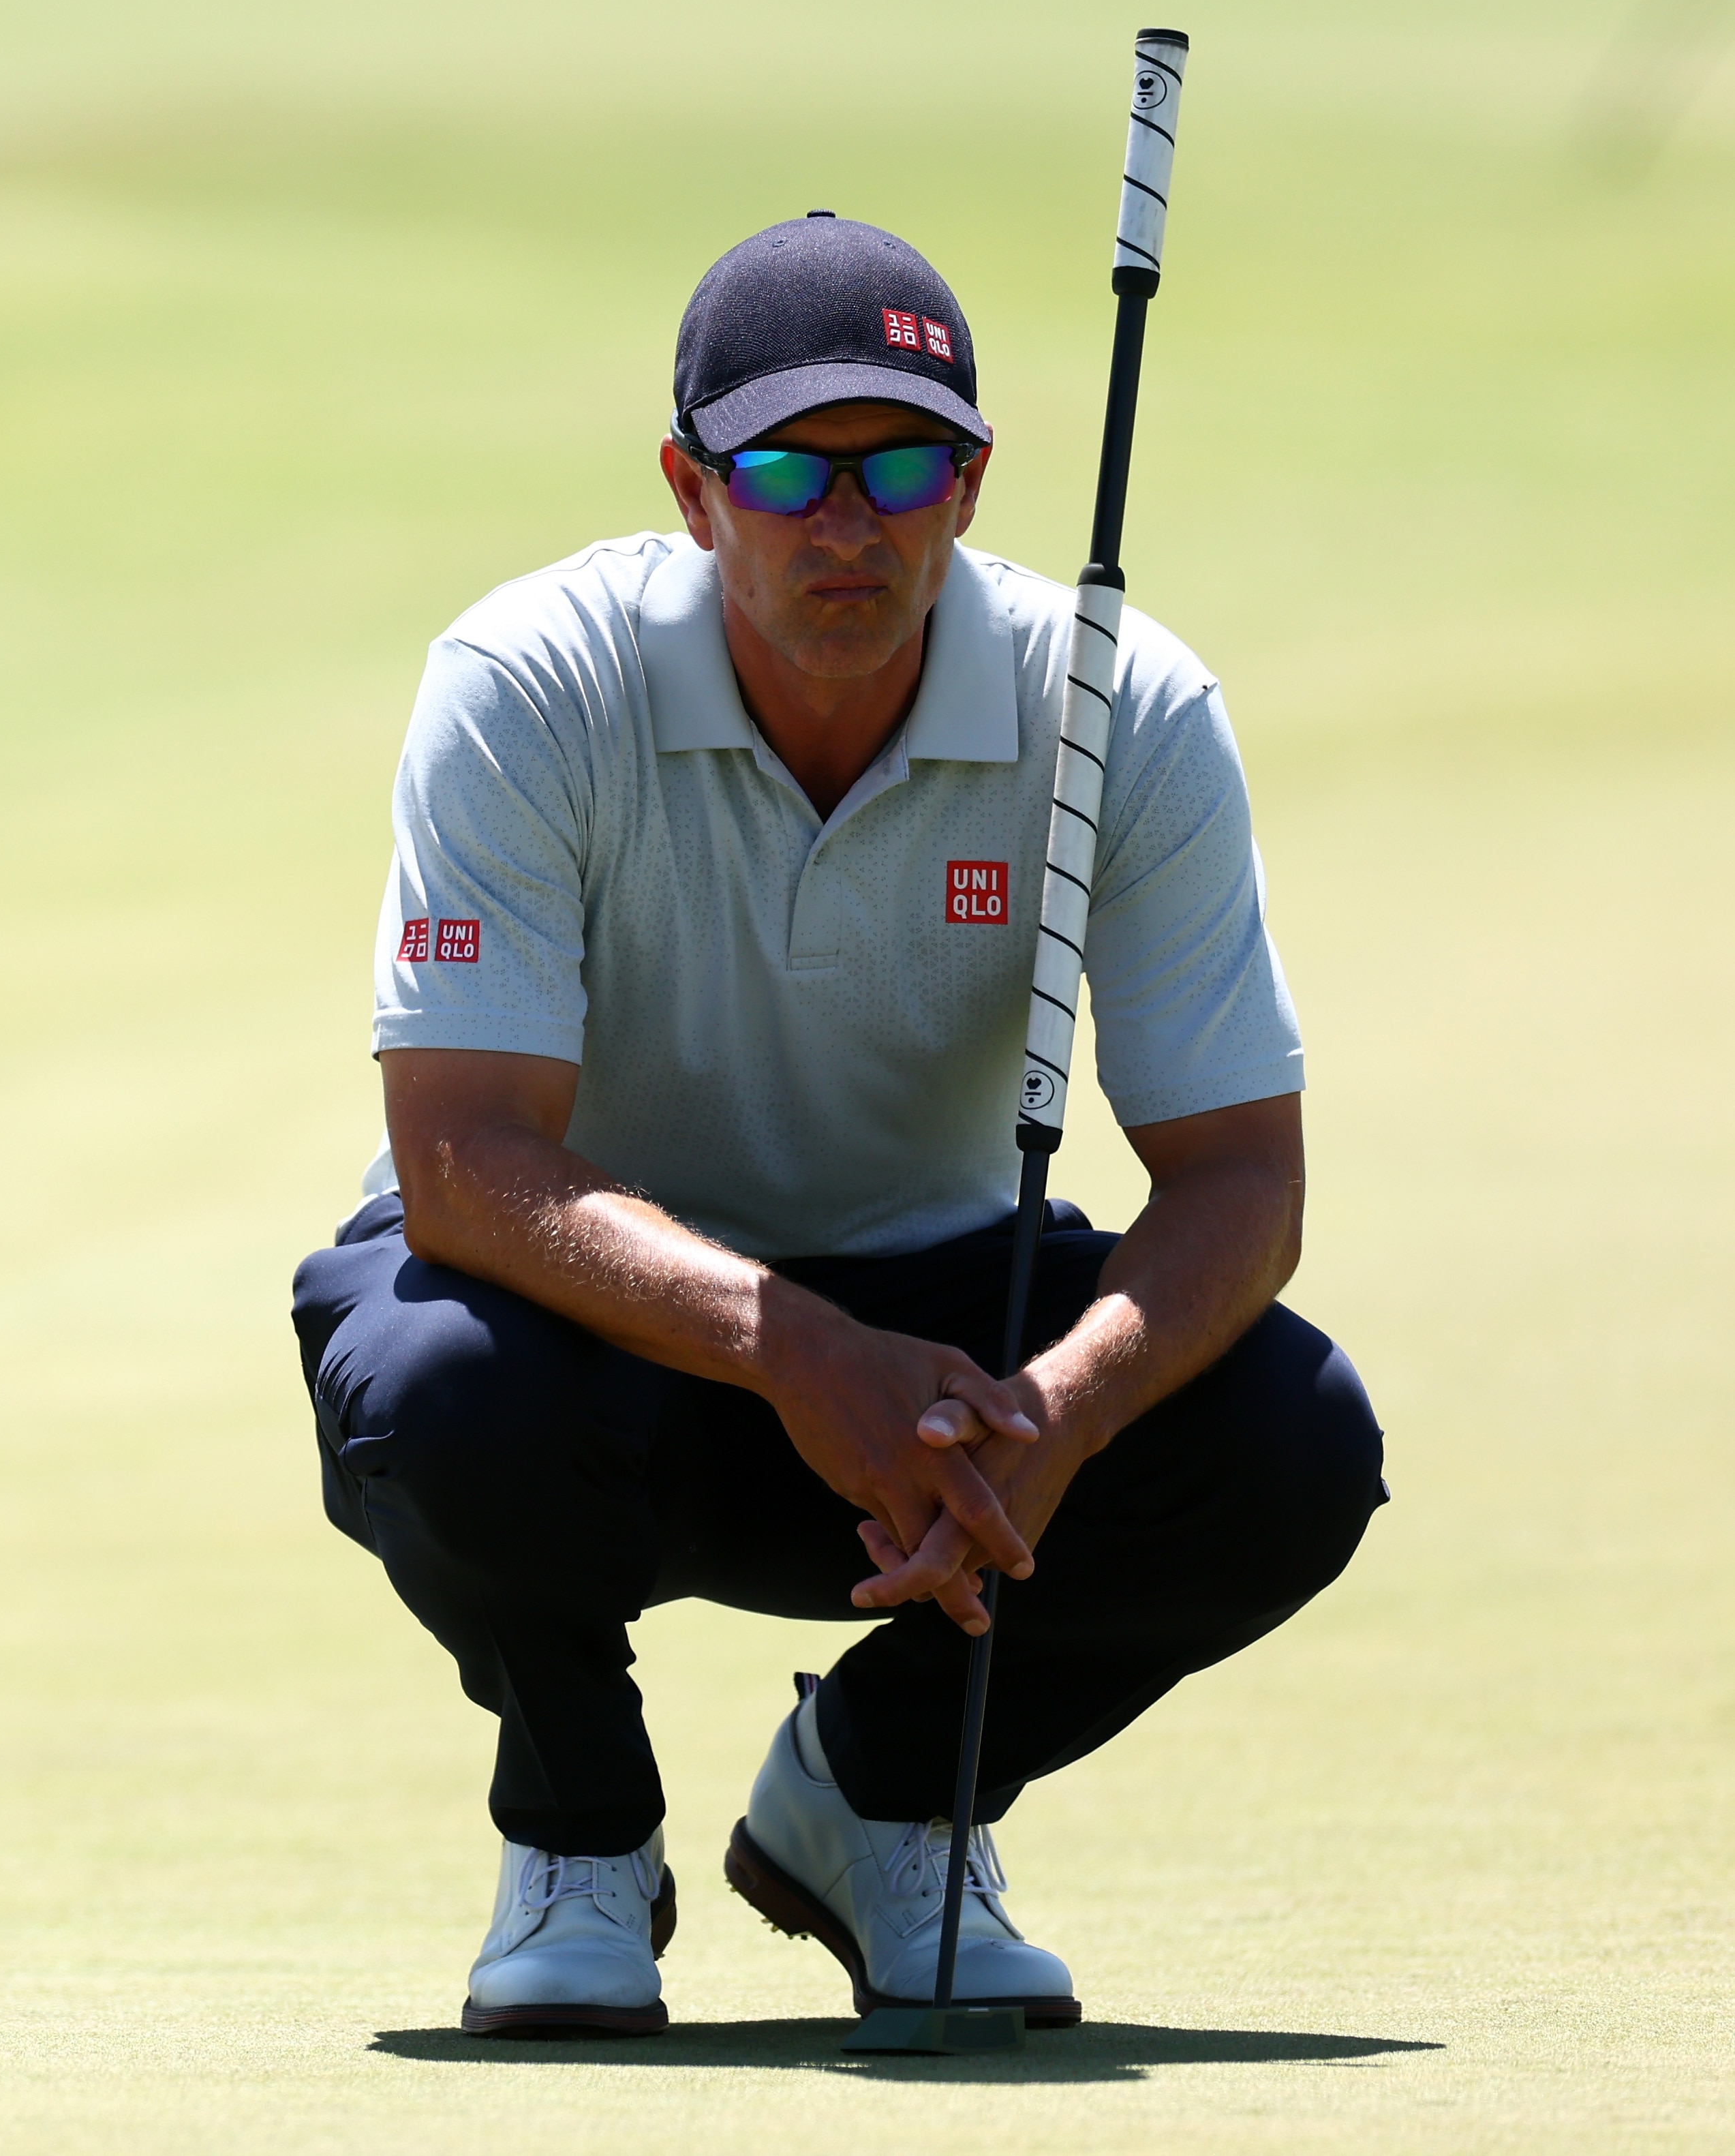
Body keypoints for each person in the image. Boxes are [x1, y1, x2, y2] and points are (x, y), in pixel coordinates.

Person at [287, 213, 1386, 2037]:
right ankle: (576, 1836)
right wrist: (791, 1346)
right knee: (430, 1389)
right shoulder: (528, 676)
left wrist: (1064, 1404)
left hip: (951, 1368)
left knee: (1288, 1440)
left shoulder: (1116, 706)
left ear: (967, 486)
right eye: (786, 468)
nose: (846, 522)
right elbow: (462, 1161)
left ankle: (880, 1793)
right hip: (590, 1356)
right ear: (692, 487)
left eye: (903, 468)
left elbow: (1241, 1179)